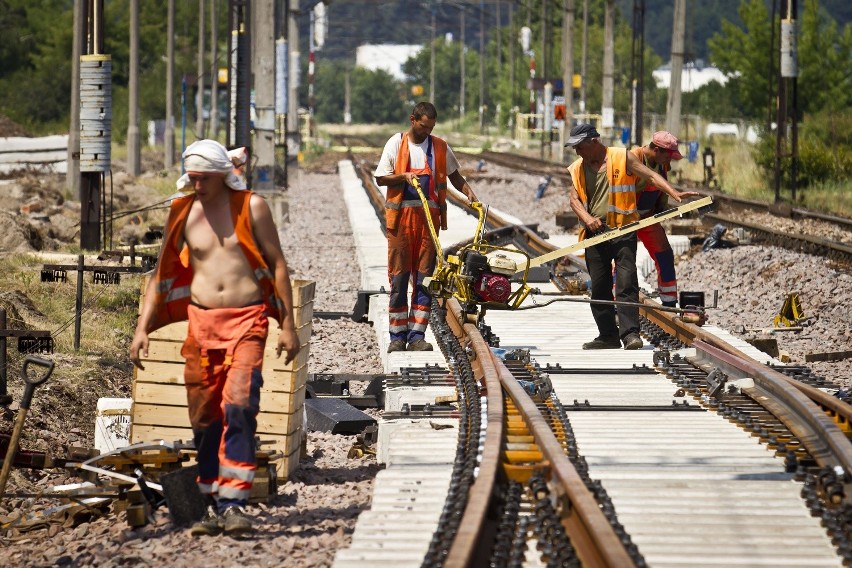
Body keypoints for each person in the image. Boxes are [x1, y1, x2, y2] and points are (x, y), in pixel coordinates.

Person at [130, 139, 299, 536]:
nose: (197, 184)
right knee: (205, 418)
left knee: (240, 405)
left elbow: (277, 263)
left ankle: (234, 502)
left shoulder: (251, 207)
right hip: (201, 326)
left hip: (248, 320)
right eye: (193, 177)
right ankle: (208, 501)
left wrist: (288, 324)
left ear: (224, 174)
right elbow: (160, 275)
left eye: (204, 178)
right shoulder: (182, 213)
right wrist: (142, 329)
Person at [565, 124, 699, 350]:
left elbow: (650, 176)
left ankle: (630, 335)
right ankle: (607, 335)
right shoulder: (578, 167)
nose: (577, 151)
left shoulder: (621, 157)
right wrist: (587, 219)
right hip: (595, 233)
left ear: (594, 142)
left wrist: (673, 192)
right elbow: (573, 199)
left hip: (624, 230)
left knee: (627, 282)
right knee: (599, 286)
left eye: (580, 146)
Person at [374, 102, 478, 353]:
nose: (427, 132)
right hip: (401, 222)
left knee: (424, 280)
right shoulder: (396, 143)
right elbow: (380, 177)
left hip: (428, 224)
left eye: (431, 127)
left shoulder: (440, 147)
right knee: (399, 279)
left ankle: (417, 335)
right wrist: (403, 176)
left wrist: (469, 193)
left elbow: (455, 176)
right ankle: (397, 336)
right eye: (423, 127)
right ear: (412, 120)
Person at [631, 131, 683, 307]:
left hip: (647, 216)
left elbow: (661, 188)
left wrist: (662, 206)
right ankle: (619, 302)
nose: (669, 161)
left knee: (665, 255)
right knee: (624, 259)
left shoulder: (662, 165)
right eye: (668, 156)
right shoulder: (634, 157)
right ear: (656, 149)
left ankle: (669, 303)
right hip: (626, 220)